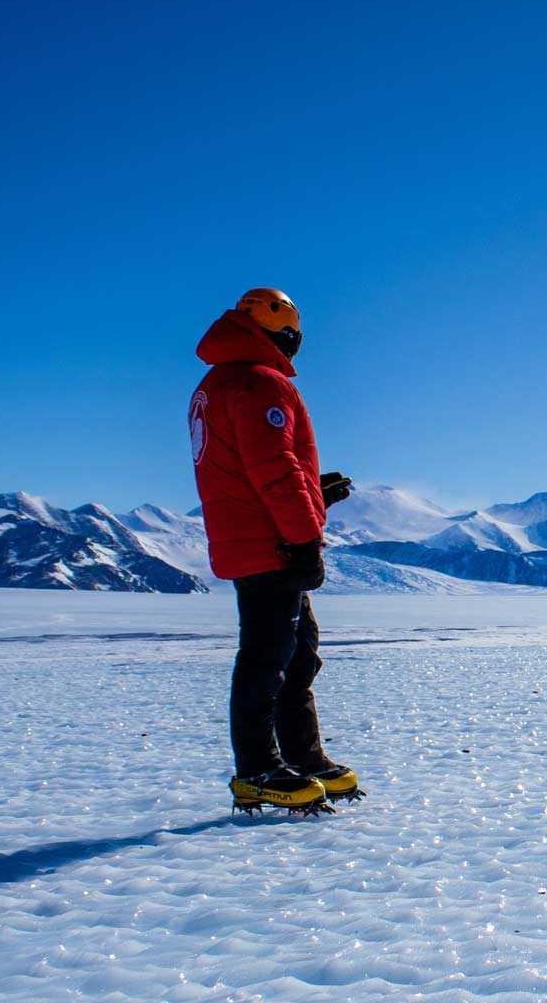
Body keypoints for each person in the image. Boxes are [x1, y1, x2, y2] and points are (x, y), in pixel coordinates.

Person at [189, 287, 359, 810]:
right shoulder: (259, 383)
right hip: (273, 544)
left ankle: (302, 759)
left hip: (260, 536)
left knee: (297, 652)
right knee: (268, 658)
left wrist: (313, 490)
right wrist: (306, 536)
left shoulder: (217, 384)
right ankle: (258, 769)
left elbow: (251, 468)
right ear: (283, 334)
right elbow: (273, 470)